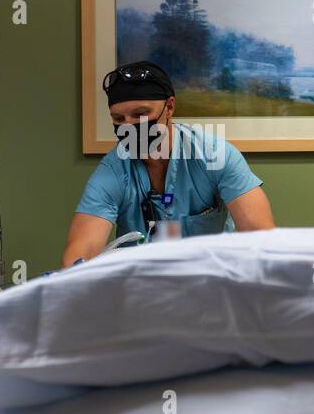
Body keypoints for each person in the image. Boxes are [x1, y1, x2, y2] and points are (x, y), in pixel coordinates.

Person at [61, 61, 274, 265]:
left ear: (169, 107)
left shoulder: (215, 156)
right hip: (142, 287)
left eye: (141, 114)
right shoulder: (114, 170)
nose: (129, 126)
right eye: (118, 119)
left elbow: (260, 236)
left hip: (212, 282)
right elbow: (82, 250)